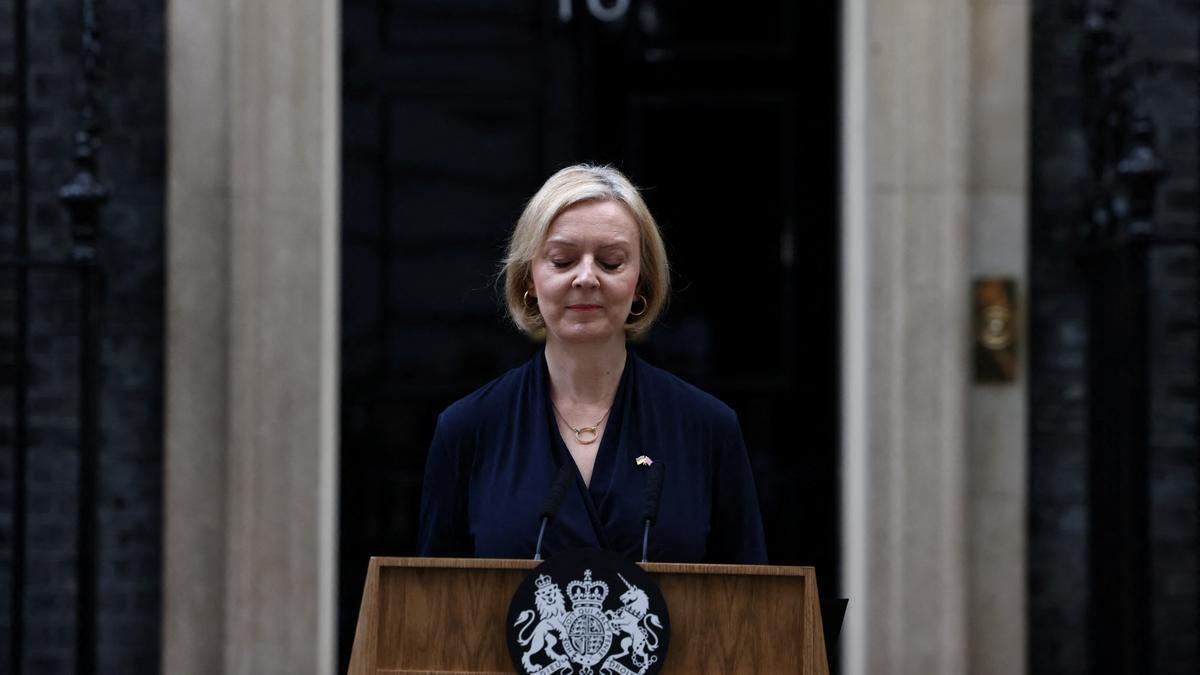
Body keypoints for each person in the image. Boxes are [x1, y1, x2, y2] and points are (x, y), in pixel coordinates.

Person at [416, 164, 767, 564]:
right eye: (563, 261)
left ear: (642, 283)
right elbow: (433, 611)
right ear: (529, 279)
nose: (586, 278)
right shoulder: (468, 428)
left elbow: (750, 608)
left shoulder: (708, 427)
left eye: (612, 262)